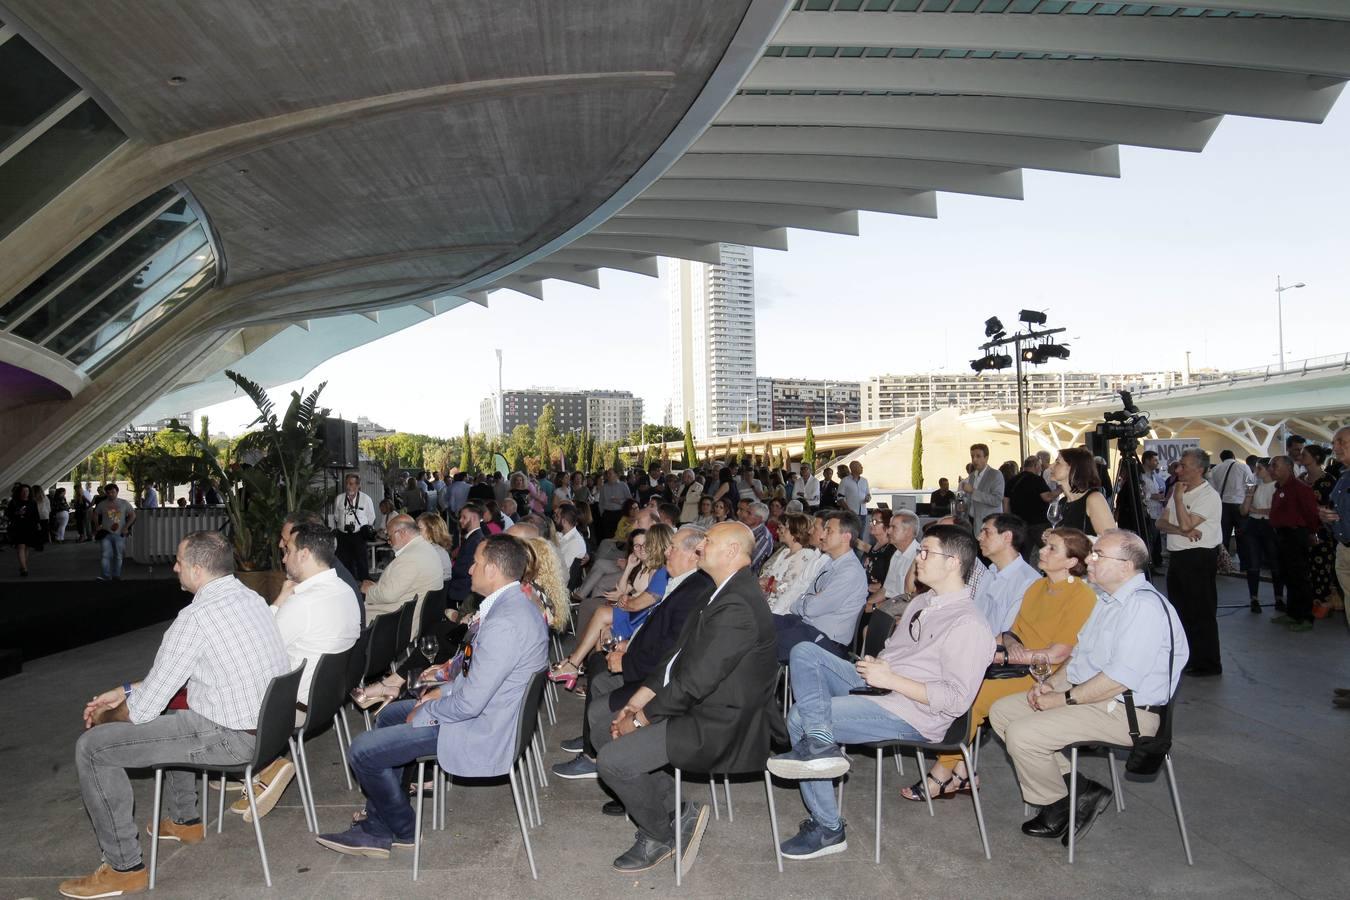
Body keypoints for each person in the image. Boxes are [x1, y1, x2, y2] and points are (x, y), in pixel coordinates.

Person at [60, 532, 289, 899]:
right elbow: (172, 678)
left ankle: (123, 868)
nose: (174, 567)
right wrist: (125, 690)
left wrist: (103, 718)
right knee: (177, 706)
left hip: (231, 739)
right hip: (269, 731)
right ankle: (185, 820)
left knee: (92, 748)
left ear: (197, 570)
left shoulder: (195, 618)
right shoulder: (251, 599)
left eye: (179, 562)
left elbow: (144, 710)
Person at [766, 524, 994, 860]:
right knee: (804, 651)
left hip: (914, 711)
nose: (920, 557)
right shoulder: (922, 603)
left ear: (953, 563)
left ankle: (828, 827)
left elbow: (956, 700)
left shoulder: (970, 625)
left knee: (801, 717)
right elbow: (897, 652)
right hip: (883, 685)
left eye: (927, 552)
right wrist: (879, 664)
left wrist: (891, 680)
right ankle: (820, 744)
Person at [315, 534, 548, 858]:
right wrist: (439, 690)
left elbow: (470, 703)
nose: (469, 570)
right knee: (387, 715)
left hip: (481, 729)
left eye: (477, 564)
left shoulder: (505, 622)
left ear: (493, 570)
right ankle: (380, 822)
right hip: (487, 714)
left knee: (362, 751)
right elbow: (480, 677)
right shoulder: (514, 605)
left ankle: (401, 828)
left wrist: (430, 709)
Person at [595, 522, 782, 875]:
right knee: (608, 729)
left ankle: (658, 836)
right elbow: (675, 659)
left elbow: (695, 682)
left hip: (720, 721)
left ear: (731, 552)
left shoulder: (738, 603)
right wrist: (636, 702)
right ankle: (676, 809)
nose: (700, 548)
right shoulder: (721, 590)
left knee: (612, 761)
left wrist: (639, 719)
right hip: (700, 705)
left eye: (708, 542)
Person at [989, 529, 1188, 846]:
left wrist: (1063, 699)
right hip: (1098, 701)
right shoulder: (1108, 601)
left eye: (1099, 555)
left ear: (1126, 565)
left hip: (1129, 713)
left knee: (1023, 734)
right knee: (1002, 712)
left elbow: (1118, 679)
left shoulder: (1144, 608)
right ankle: (1077, 793)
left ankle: (1060, 804)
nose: (1090, 560)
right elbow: (1081, 658)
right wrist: (1051, 685)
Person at [902, 527, 1097, 801]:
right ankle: (961, 770)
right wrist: (1003, 647)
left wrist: (1007, 655)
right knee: (948, 677)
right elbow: (1011, 632)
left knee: (970, 696)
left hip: (1045, 676)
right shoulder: (1038, 587)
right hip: (1015, 664)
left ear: (1072, 562)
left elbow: (1058, 654)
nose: (1041, 551)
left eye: (1052, 548)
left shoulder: (1081, 596)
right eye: (1045, 545)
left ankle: (943, 773)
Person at [552, 526, 713, 786]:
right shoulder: (680, 580)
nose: (666, 551)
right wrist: (628, 645)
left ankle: (615, 769)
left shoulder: (692, 589)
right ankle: (595, 749)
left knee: (599, 706)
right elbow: (654, 627)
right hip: (646, 659)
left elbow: (670, 652)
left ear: (695, 555)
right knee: (598, 672)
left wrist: (627, 660)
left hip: (660, 681)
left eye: (673, 547)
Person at [232, 521, 361, 821]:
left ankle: (262, 763)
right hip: (327, 700)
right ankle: (249, 767)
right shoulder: (344, 590)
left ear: (304, 554)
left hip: (294, 708)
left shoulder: (303, 603)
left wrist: (278, 600)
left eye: (288, 550)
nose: (283, 556)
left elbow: (255, 649)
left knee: (222, 687)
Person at [1156, 447, 1223, 674]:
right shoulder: (1180, 489)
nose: (1178, 469)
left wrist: (1177, 499)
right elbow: (1161, 524)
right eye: (1179, 465)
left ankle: (1208, 662)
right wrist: (1182, 531)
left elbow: (1187, 524)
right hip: (1179, 556)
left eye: (1184, 466)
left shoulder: (1207, 495)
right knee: (1181, 609)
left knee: (1201, 611)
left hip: (1199, 557)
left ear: (1200, 470)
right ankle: (1188, 657)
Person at [773, 511, 868, 663]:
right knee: (758, 621)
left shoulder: (849, 572)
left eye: (829, 531)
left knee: (762, 641)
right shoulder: (830, 562)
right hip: (805, 626)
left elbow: (811, 608)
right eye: (823, 530)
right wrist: (808, 600)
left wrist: (806, 601)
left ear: (846, 537)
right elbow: (799, 602)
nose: (822, 536)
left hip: (825, 641)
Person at [1269, 455, 1322, 633]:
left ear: (1288, 467)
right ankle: (1293, 612)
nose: (1271, 469)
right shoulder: (1279, 488)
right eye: (1271, 466)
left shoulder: (1300, 488)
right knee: (1287, 575)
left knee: (1299, 576)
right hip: (1282, 535)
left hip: (1296, 535)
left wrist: (1312, 532)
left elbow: (1311, 513)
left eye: (1275, 465)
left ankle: (1306, 616)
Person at [361, 514, 442, 629]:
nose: (389, 542)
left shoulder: (410, 558)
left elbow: (388, 595)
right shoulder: (428, 549)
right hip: (410, 617)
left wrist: (368, 589)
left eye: (389, 536)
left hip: (391, 624)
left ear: (402, 532)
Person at [972, 514, 1041, 634]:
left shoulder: (1028, 582)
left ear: (1007, 536)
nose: (979, 538)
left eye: (986, 532)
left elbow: (1009, 633)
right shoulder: (990, 573)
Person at [1323, 428, 1350, 707]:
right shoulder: (1343, 478)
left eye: (1342, 442)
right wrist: (1328, 518)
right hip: (1344, 550)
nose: (1337, 447)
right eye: (1334, 443)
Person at [1301, 445, 1342, 613]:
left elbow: (1334, 508)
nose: (1301, 457)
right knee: (1304, 568)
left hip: (1323, 532)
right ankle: (1307, 602)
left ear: (1316, 457)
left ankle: (1322, 604)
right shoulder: (1301, 478)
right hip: (1301, 530)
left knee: (1323, 568)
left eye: (1305, 454)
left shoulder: (1329, 481)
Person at [1239, 459, 1283, 614]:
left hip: (1270, 527)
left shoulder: (1278, 488)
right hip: (1254, 527)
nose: (1256, 472)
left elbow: (1276, 511)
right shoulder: (1255, 487)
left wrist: (1257, 510)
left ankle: (1279, 598)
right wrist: (1249, 496)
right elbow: (1244, 511)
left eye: (1260, 468)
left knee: (1275, 563)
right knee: (1253, 563)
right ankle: (1254, 598)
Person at [1047, 448, 1115, 537]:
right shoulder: (1063, 502)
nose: (1050, 466)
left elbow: (1110, 539)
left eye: (1058, 462)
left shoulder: (1093, 499)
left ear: (1074, 468)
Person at [763, 513, 821, 615]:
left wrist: (767, 583)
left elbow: (788, 588)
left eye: (786, 528)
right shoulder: (785, 552)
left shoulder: (804, 555)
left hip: (778, 609)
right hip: (765, 602)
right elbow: (767, 574)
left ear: (795, 532)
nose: (779, 531)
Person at [869, 510, 920, 614]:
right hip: (890, 605)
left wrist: (876, 607)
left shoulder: (919, 557)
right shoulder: (897, 555)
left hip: (903, 612)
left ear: (908, 531)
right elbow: (885, 590)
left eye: (893, 527)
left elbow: (911, 599)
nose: (888, 531)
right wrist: (867, 603)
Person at [329, 473, 377, 580]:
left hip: (359, 535)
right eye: (347, 483)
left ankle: (364, 584)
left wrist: (363, 528)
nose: (348, 486)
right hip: (343, 535)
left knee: (361, 562)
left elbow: (371, 518)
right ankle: (347, 582)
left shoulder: (366, 499)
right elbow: (336, 516)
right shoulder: (339, 499)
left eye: (351, 484)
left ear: (358, 485)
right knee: (343, 561)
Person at [1207, 450, 1252, 555]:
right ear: (1233, 456)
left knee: (1224, 536)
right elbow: (1250, 484)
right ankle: (1244, 565)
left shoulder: (1215, 469)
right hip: (1240, 505)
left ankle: (1224, 563)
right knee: (1242, 536)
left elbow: (1212, 489)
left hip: (1223, 506)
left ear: (1221, 459)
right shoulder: (1243, 467)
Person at [1006, 457, 1051, 561]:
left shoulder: (1013, 480)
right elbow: (1047, 497)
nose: (1041, 469)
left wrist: (1009, 521)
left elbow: (1006, 502)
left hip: (1020, 523)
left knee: (1023, 555)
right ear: (1035, 466)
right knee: (1049, 551)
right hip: (1039, 523)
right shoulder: (1037, 479)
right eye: (1040, 466)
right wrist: (1060, 490)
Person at [92, 484, 136, 581]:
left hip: (119, 533)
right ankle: (105, 575)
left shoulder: (124, 503)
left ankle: (116, 575)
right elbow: (95, 514)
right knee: (105, 555)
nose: (111, 494)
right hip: (105, 533)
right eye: (108, 493)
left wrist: (126, 527)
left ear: (117, 492)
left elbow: (132, 515)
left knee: (118, 555)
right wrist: (97, 526)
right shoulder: (102, 504)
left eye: (113, 492)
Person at [960, 444, 1005, 530]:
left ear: (986, 458)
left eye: (978, 456)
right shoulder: (972, 476)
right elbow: (970, 499)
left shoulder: (995, 475)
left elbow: (997, 500)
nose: (974, 460)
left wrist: (973, 491)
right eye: (972, 456)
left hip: (989, 525)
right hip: (972, 523)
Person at [1140, 450, 1170, 568]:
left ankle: (1155, 562)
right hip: (1148, 513)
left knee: (1156, 540)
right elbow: (1139, 493)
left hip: (1157, 512)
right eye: (1155, 460)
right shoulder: (1140, 476)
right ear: (1147, 461)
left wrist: (1160, 496)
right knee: (1150, 540)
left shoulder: (1155, 476)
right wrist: (1152, 496)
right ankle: (1148, 565)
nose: (1157, 463)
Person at [6, 483, 41, 576]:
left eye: (27, 491)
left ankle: (23, 565)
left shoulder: (32, 502)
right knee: (21, 546)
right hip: (18, 526)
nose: (25, 493)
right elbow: (8, 514)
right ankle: (24, 568)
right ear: (20, 492)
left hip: (30, 527)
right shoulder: (14, 502)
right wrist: (17, 513)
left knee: (26, 547)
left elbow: (36, 514)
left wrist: (38, 524)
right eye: (23, 491)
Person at [598, 469, 633, 541]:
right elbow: (601, 502)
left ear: (616, 475)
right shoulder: (604, 487)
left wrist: (620, 501)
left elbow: (630, 500)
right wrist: (602, 513)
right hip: (607, 514)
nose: (608, 476)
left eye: (610, 474)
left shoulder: (623, 485)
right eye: (607, 474)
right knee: (607, 535)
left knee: (620, 535)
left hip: (620, 513)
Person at [417, 512, 453, 580]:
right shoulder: (437, 549)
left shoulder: (432, 552)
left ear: (432, 531)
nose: (416, 532)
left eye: (419, 529)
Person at [554, 502, 588, 575]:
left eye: (557, 517)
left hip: (560, 580)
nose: (555, 519)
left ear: (564, 521)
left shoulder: (575, 543)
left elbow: (561, 569)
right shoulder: (561, 534)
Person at [741, 500, 774, 573]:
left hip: (749, 577)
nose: (744, 515)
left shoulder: (764, 538)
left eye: (749, 513)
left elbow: (748, 563)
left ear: (759, 519)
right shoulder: (744, 527)